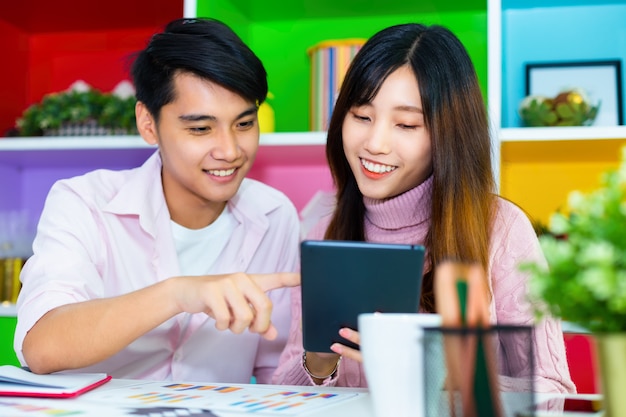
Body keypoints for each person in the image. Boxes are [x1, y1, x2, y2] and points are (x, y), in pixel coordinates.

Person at [272, 23, 576, 393]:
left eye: (406, 124)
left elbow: (551, 392)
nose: (375, 143)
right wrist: (318, 363)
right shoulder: (325, 231)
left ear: (448, 134)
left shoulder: (501, 229)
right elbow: (282, 390)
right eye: (362, 116)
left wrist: (435, 376)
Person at [14, 17, 300, 384]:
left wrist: (322, 360)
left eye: (244, 124)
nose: (230, 150)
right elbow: (42, 345)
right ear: (148, 123)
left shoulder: (275, 214)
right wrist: (178, 293)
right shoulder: (84, 202)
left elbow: (275, 374)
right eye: (200, 128)